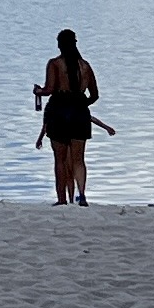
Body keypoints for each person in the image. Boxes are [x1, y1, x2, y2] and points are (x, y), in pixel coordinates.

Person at [32, 28, 111, 204]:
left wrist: (37, 91)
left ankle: (62, 200)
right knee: (78, 159)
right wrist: (81, 105)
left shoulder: (54, 64)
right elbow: (95, 94)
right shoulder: (85, 66)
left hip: (59, 110)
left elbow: (50, 89)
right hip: (80, 112)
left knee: (60, 159)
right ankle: (82, 195)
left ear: (59, 45)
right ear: (75, 43)